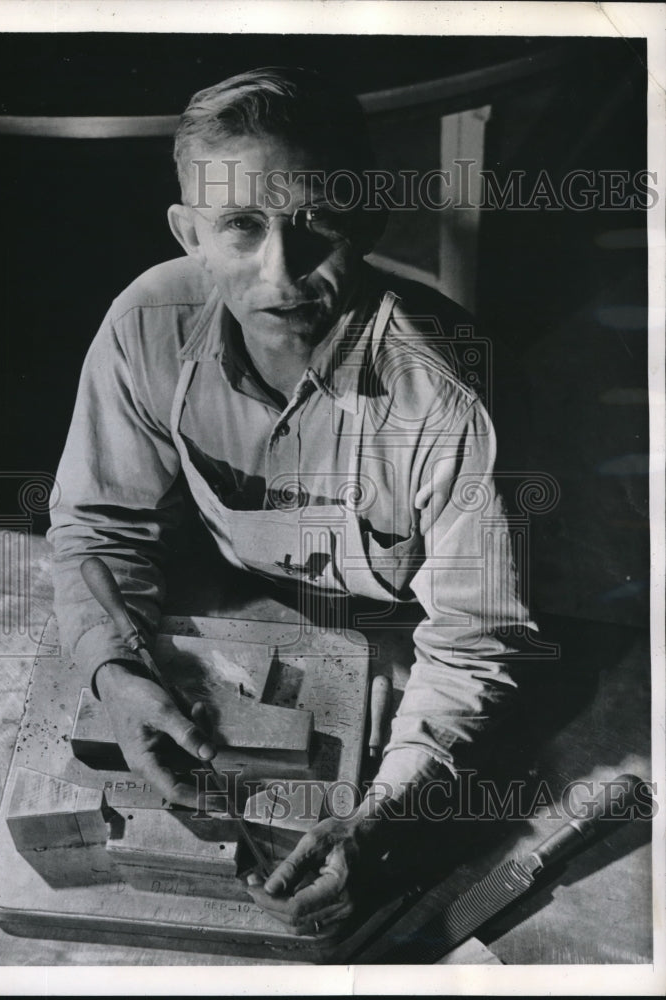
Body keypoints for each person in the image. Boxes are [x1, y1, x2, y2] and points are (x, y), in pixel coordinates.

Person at [48, 66, 537, 938]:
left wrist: (380, 820)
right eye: (240, 226)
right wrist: (116, 669)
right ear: (188, 232)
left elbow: (472, 644)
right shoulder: (145, 324)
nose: (281, 273)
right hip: (236, 617)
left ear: (373, 216)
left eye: (318, 221)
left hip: (405, 654)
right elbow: (98, 525)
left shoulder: (451, 396)